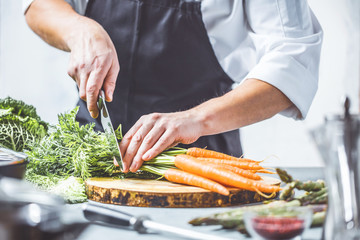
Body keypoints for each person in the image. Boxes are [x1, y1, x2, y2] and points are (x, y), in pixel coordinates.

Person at [24, 0, 322, 173]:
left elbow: (295, 54)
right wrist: (79, 29)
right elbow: (37, 5)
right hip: (90, 156)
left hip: (199, 162)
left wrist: (195, 119)